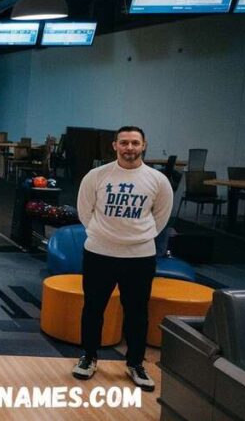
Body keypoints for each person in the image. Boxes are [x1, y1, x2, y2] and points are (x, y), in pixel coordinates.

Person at [72, 126, 173, 392]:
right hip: (99, 253)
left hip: (139, 256)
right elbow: (85, 211)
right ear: (115, 145)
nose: (130, 148)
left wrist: (138, 236)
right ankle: (89, 357)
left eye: (135, 143)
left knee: (137, 313)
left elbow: (161, 217)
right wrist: (103, 234)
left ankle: (136, 363)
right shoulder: (97, 176)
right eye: (124, 143)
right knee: (93, 309)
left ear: (144, 145)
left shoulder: (157, 180)